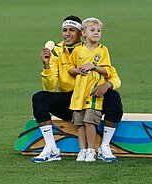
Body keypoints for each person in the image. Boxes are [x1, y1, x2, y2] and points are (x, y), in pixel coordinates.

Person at [31, 15, 123, 163]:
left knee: (113, 97)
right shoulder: (56, 52)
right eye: (64, 30)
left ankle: (104, 147)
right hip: (71, 101)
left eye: (71, 30)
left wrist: (107, 85)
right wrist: (46, 66)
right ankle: (51, 148)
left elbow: (114, 76)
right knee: (39, 97)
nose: (67, 33)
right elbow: (49, 87)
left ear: (82, 32)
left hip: (92, 97)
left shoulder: (97, 49)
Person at [68, 17, 113, 162]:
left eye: (99, 31)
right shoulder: (77, 50)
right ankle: (82, 150)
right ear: (83, 33)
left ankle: (91, 150)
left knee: (90, 122)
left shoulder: (103, 50)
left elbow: (107, 70)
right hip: (79, 93)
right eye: (92, 30)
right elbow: (70, 68)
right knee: (79, 123)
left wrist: (93, 66)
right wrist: (78, 71)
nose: (96, 33)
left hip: (93, 94)